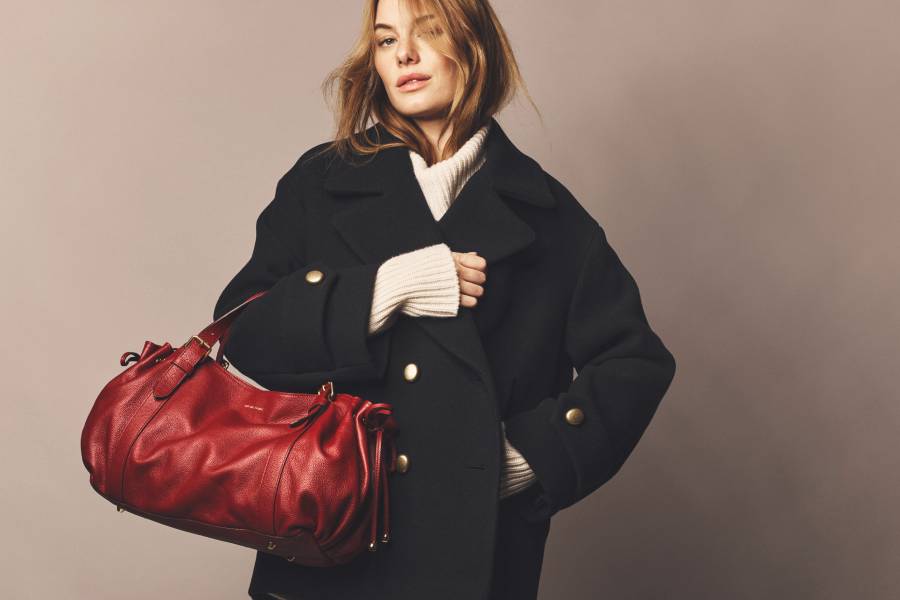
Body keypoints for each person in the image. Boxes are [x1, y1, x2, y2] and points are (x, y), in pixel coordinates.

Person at [213, 0, 677, 598]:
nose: (404, 54)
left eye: (428, 31)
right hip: (323, 549)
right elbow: (243, 332)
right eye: (386, 40)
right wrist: (387, 288)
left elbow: (634, 362)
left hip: (467, 557)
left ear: (475, 45)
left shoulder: (550, 216)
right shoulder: (321, 182)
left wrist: (525, 457)